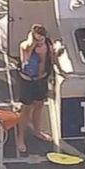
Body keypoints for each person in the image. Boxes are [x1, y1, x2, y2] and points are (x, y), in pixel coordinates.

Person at [16, 24, 56, 153]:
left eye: (41, 40)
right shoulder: (26, 46)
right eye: (36, 40)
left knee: (39, 106)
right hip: (28, 81)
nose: (39, 43)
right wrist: (31, 44)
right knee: (26, 110)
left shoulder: (48, 46)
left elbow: (52, 60)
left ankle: (37, 131)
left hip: (41, 79)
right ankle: (20, 138)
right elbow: (25, 59)